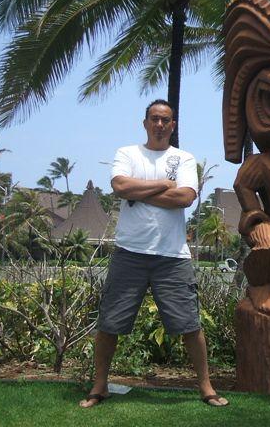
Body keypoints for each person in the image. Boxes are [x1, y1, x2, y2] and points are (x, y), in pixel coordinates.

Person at [80, 99, 229, 408]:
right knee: (109, 323)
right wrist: (162, 184)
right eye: (154, 119)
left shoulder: (184, 158)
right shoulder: (127, 154)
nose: (160, 124)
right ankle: (99, 385)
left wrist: (138, 193)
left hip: (172, 257)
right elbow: (120, 186)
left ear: (173, 125)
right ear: (145, 123)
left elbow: (185, 197)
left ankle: (206, 387)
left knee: (190, 324)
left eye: (165, 120)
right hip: (129, 253)